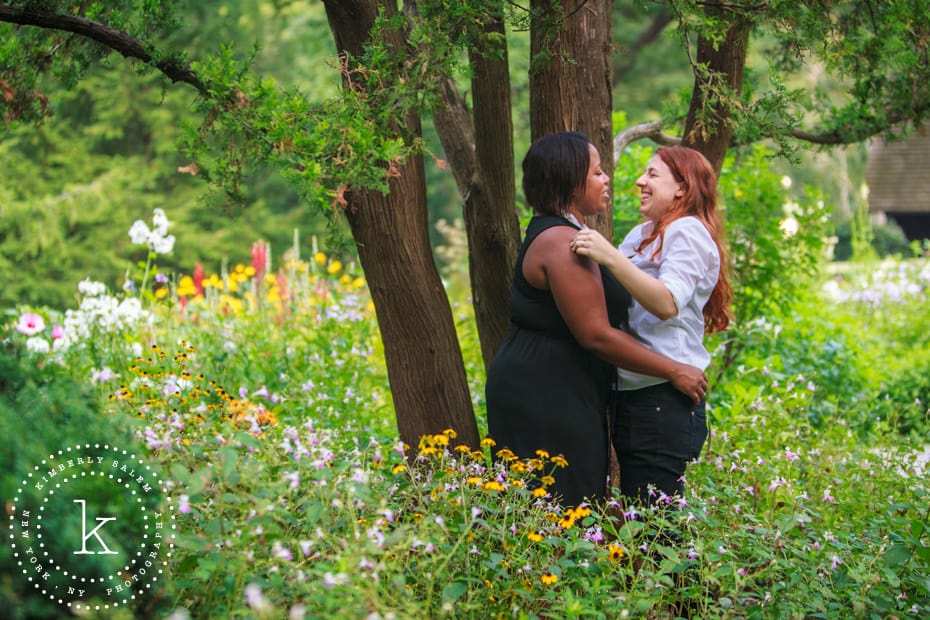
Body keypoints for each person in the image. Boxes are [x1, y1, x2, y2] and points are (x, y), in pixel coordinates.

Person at [484, 132, 707, 509]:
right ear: (572, 182)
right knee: (557, 505)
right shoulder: (562, 242)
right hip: (545, 392)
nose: (607, 180)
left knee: (569, 504)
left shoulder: (575, 235)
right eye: (598, 172)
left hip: (562, 387)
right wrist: (673, 369)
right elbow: (596, 336)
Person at [570, 145, 732, 508]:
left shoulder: (687, 231)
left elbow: (666, 303)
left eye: (653, 174)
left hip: (662, 400)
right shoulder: (641, 234)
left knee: (660, 532)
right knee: (646, 527)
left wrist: (608, 255)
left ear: (682, 188)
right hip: (635, 397)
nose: (641, 181)